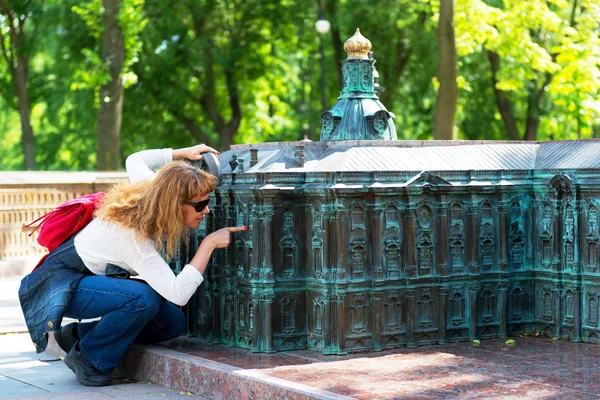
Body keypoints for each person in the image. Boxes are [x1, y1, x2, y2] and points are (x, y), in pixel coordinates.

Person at [18, 144, 245, 387]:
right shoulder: (134, 238)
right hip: (61, 285)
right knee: (142, 298)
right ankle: (89, 359)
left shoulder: (154, 191)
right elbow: (178, 294)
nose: (206, 210)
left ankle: (75, 335)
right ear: (173, 204)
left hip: (89, 279)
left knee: (171, 323)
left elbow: (134, 160)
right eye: (199, 205)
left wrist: (182, 153)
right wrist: (208, 245)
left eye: (207, 202)